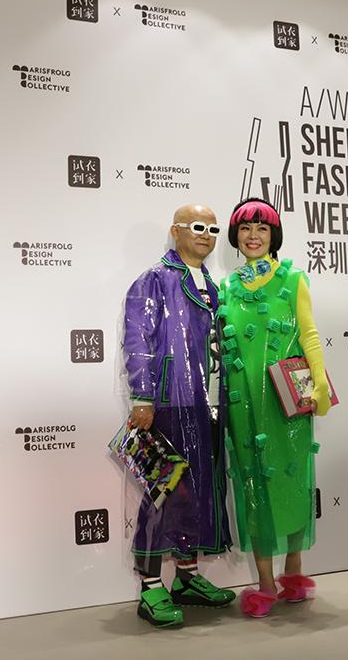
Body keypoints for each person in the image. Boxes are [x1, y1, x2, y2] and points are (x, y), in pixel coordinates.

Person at [217, 197, 332, 618]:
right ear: (236, 236)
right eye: (246, 228)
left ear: (273, 236)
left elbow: (309, 333)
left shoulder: (294, 278)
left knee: (293, 479)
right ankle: (265, 582)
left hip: (286, 401)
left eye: (262, 228)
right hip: (242, 403)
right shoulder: (225, 288)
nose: (253, 236)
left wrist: (319, 382)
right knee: (253, 486)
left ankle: (294, 570)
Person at [121, 204, 234, 628]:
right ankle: (151, 586)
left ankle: (187, 577)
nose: (206, 235)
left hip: (210, 403)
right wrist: (142, 397)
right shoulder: (155, 279)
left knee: (200, 490)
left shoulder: (213, 286)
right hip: (171, 401)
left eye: (213, 229)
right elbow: (138, 338)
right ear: (176, 230)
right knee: (165, 491)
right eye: (197, 227)